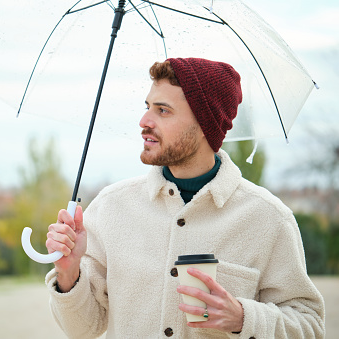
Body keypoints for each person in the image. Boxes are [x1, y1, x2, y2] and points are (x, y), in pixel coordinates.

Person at [44, 58, 325, 338]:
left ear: (205, 124)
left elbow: (310, 325)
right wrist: (69, 274)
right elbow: (82, 329)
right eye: (147, 107)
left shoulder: (269, 219)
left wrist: (243, 318)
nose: (144, 121)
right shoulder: (110, 208)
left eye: (163, 110)